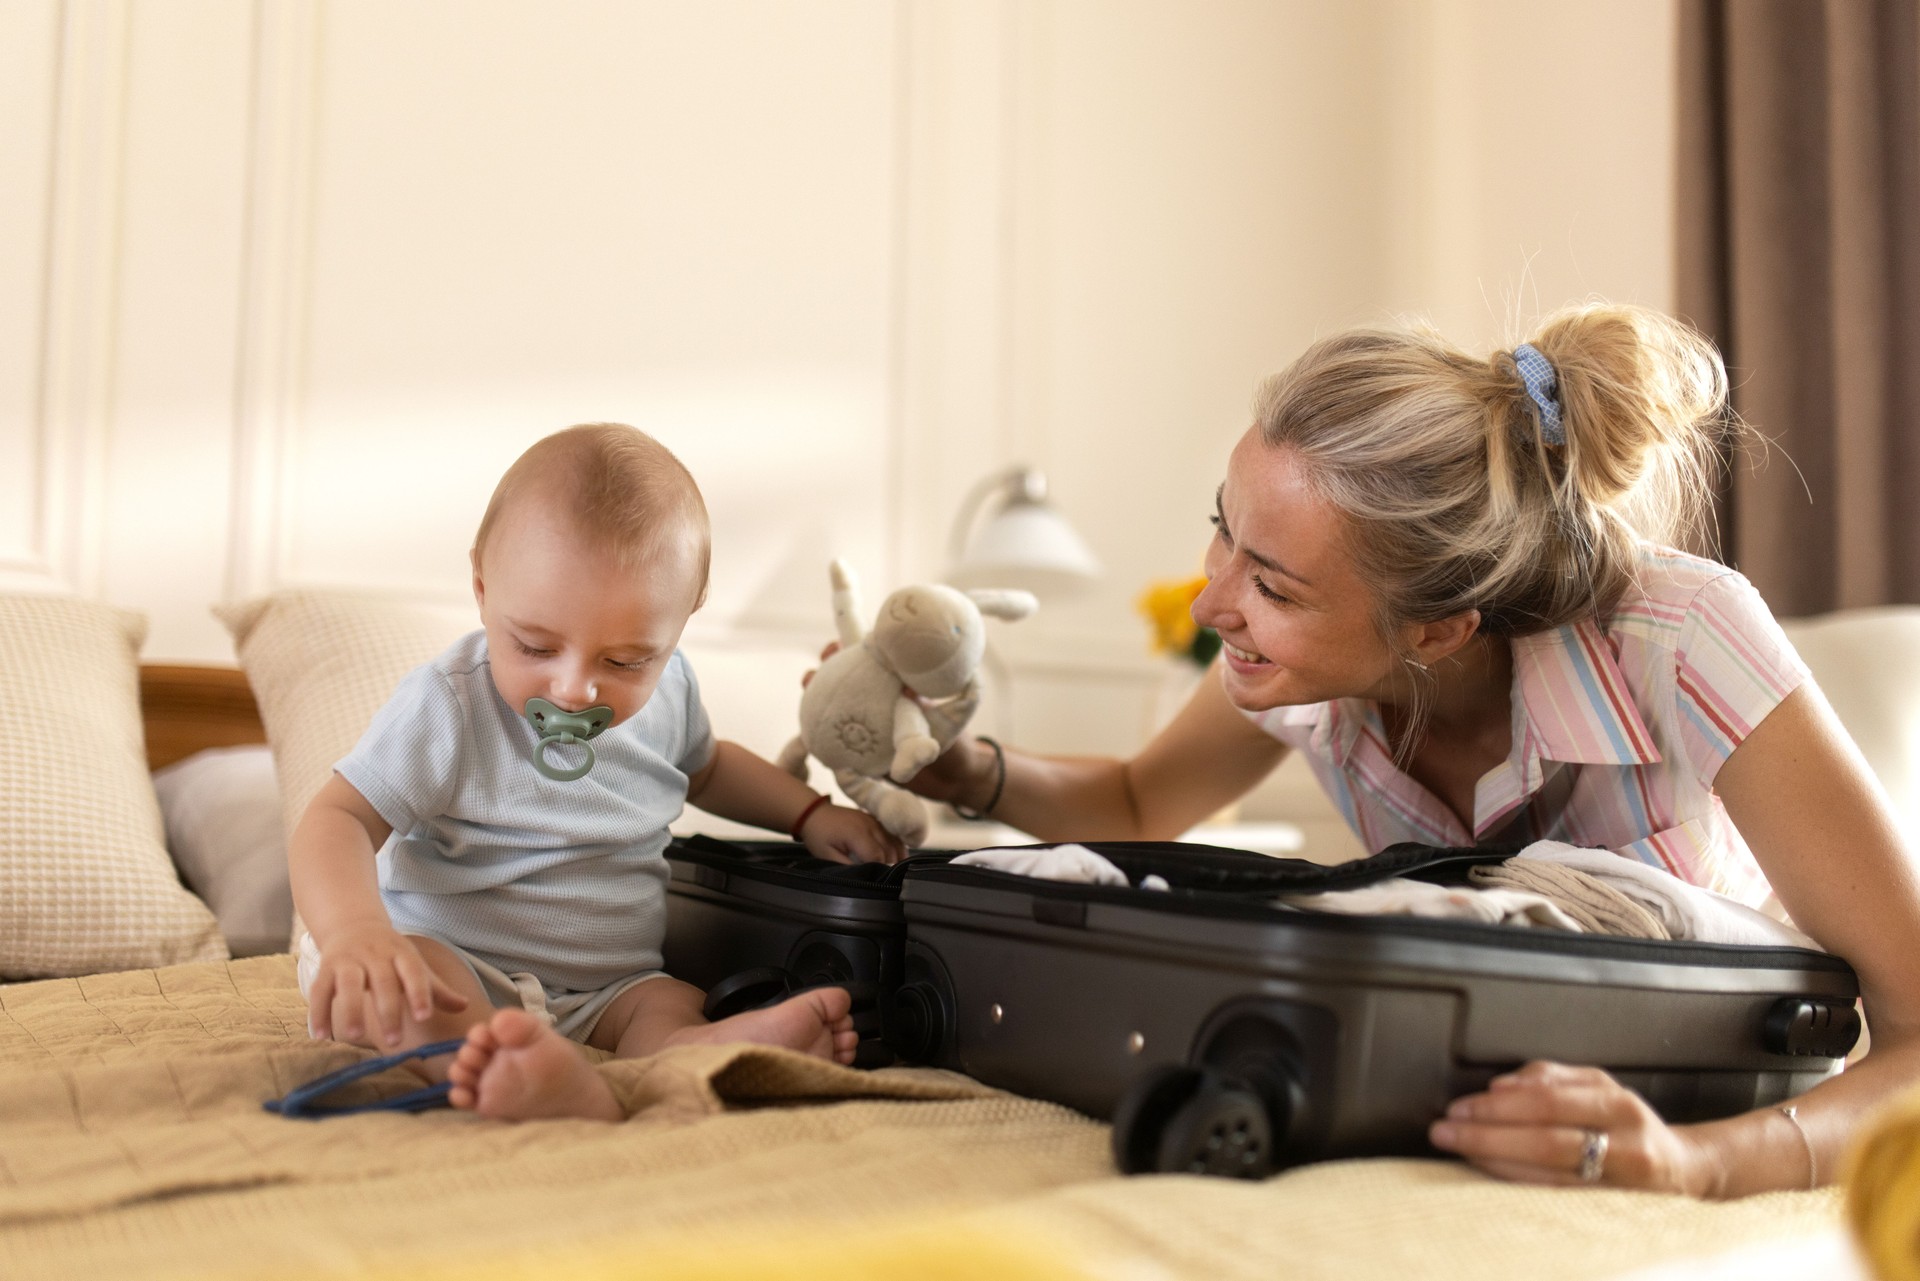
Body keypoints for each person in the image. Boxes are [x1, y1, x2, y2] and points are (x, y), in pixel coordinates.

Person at [899, 302, 1920, 1198]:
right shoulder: (1315, 673)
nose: (1213, 605)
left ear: (1439, 630)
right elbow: (1133, 803)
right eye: (1225, 533)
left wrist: (1703, 1166)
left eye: (1273, 587)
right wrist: (970, 768)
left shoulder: (1687, 634)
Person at [289, 423, 904, 1122]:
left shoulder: (672, 694)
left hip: (610, 987)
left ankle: (697, 1049)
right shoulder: (450, 704)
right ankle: (498, 1062)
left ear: (681, 623)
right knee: (412, 992)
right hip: (457, 960)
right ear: (483, 589)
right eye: (535, 645)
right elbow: (336, 817)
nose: (576, 689)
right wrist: (353, 931)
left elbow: (708, 769)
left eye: (624, 662)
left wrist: (810, 815)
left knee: (669, 997)